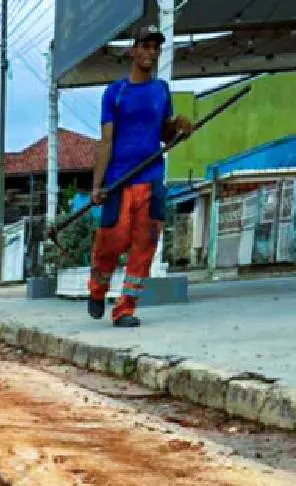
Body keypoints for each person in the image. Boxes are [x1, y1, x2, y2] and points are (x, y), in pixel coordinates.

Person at [88, 25, 193, 327]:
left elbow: (164, 133)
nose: (150, 52)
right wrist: (97, 185)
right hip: (119, 180)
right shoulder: (115, 93)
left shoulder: (160, 90)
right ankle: (97, 289)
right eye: (144, 46)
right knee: (111, 240)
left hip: (150, 178)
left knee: (144, 244)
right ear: (132, 51)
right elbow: (106, 141)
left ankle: (125, 308)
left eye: (155, 47)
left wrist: (178, 129)